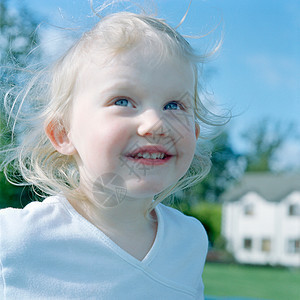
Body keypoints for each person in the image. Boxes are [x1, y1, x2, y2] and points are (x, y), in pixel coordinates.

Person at [0, 5, 225, 300]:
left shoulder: (189, 241)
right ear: (63, 134)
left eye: (174, 105)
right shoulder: (15, 238)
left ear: (194, 134)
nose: (155, 124)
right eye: (122, 100)